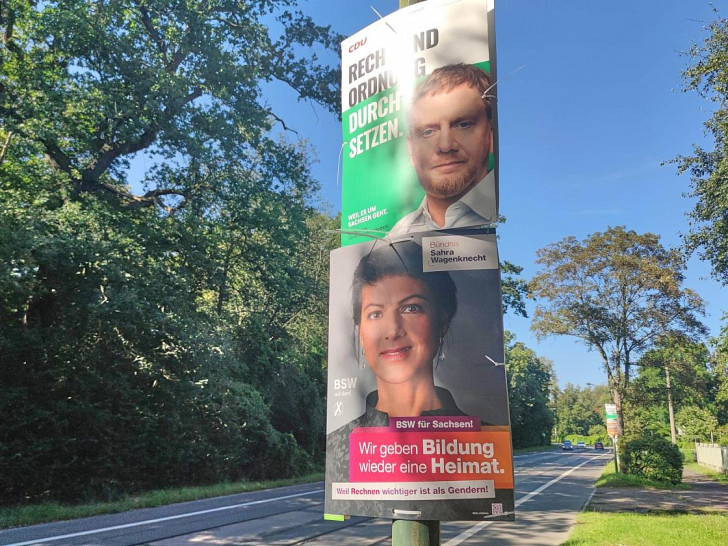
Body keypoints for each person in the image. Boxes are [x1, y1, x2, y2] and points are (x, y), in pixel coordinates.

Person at [350, 240, 465, 425]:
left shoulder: (485, 437)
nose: (393, 331)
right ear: (360, 333)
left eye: (411, 308)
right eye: (375, 313)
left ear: (443, 322)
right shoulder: (340, 444)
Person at [389, 64, 496, 235]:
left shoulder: (513, 209)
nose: (445, 146)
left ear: (491, 136)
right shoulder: (398, 234)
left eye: (463, 125)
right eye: (428, 132)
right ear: (411, 150)